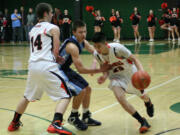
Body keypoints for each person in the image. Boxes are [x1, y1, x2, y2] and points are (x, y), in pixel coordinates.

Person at [7, 3, 73, 135]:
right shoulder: (54, 28)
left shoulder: (32, 30)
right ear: (45, 14)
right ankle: (56, 123)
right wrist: (58, 57)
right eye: (51, 12)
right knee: (66, 95)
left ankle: (14, 123)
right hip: (46, 65)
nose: (52, 14)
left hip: (32, 65)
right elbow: (55, 51)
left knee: (27, 96)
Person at [92, 32, 154, 134]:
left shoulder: (117, 49)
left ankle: (148, 103)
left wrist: (141, 72)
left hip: (131, 75)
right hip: (116, 78)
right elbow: (104, 68)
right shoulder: (97, 55)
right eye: (95, 46)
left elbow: (134, 59)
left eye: (99, 46)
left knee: (144, 96)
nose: (97, 49)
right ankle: (142, 121)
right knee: (120, 98)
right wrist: (104, 76)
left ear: (105, 43)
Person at [58, 20, 110, 131]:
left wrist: (95, 62)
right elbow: (81, 69)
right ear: (74, 32)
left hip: (65, 69)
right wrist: (100, 69)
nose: (83, 34)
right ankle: (73, 116)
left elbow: (95, 52)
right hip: (57, 71)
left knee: (88, 89)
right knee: (80, 91)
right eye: (80, 32)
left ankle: (86, 116)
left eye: (85, 31)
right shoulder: (72, 46)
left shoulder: (83, 42)